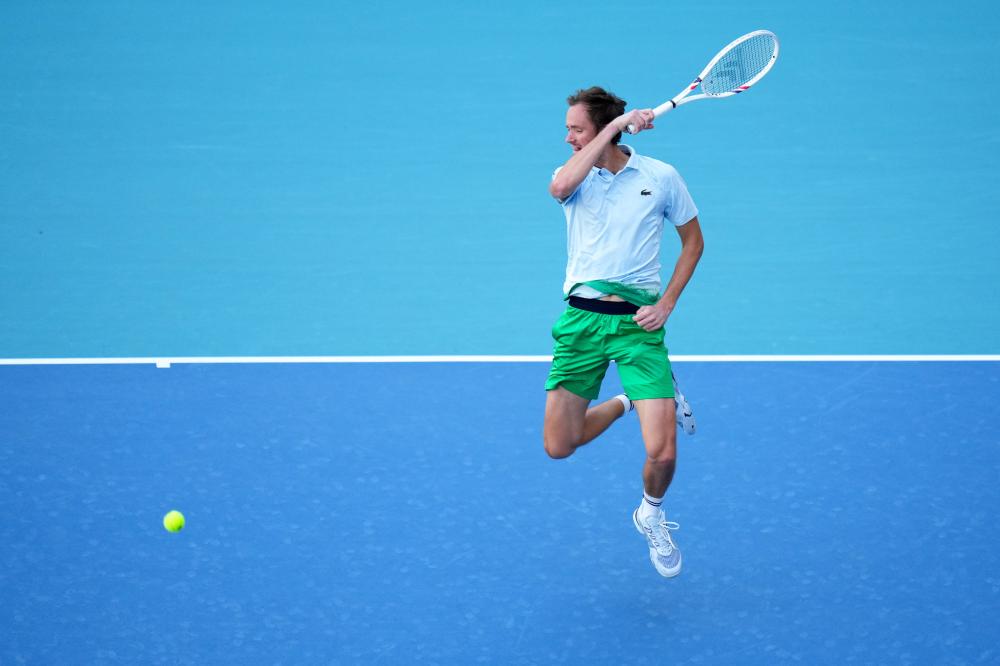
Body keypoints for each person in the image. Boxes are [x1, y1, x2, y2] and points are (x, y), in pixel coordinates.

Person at [543, 86, 704, 578]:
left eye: (577, 128)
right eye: (569, 129)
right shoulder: (571, 177)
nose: (568, 137)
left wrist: (668, 303)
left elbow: (694, 242)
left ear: (599, 128)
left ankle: (651, 511)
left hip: (638, 327)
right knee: (560, 445)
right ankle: (627, 400)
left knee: (662, 452)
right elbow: (559, 188)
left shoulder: (661, 177)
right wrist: (610, 129)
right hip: (582, 324)